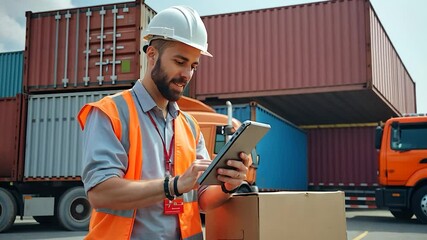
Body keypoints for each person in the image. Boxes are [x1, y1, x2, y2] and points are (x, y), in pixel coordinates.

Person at [77, 5, 249, 240]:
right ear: (152, 55)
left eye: (193, 66)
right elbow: (101, 193)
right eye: (180, 61)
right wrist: (173, 185)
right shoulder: (111, 113)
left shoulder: (190, 126)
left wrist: (229, 185)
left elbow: (203, 199)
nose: (187, 74)